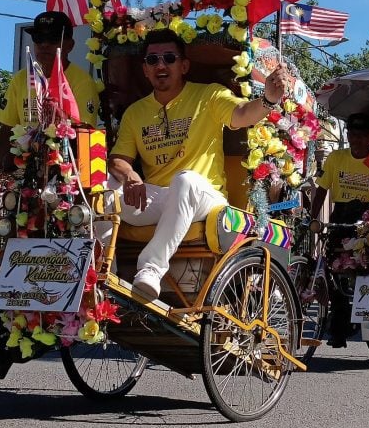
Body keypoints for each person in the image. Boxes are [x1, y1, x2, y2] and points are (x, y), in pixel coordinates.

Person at [102, 29, 292, 300]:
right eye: (152, 60)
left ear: (184, 66)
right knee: (100, 187)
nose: (160, 65)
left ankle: (151, 269)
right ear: (145, 69)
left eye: (168, 58)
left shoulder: (209, 96)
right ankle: (105, 272)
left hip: (205, 198)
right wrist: (130, 174)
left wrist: (269, 99)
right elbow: (118, 159)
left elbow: (241, 115)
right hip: (158, 198)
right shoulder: (135, 112)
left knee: (185, 180)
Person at [309, 112, 369, 347]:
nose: (356, 140)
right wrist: (312, 219)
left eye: (361, 136)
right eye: (352, 135)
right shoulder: (336, 158)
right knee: (335, 272)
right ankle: (338, 327)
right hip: (340, 216)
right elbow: (322, 190)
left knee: (365, 270)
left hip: (366, 219)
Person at [0, 11, 100, 170]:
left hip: (66, 170)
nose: (45, 44)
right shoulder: (20, 79)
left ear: (70, 45)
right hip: (25, 168)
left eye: (53, 39)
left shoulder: (83, 82)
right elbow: (6, 129)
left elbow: (84, 135)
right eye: (39, 38)